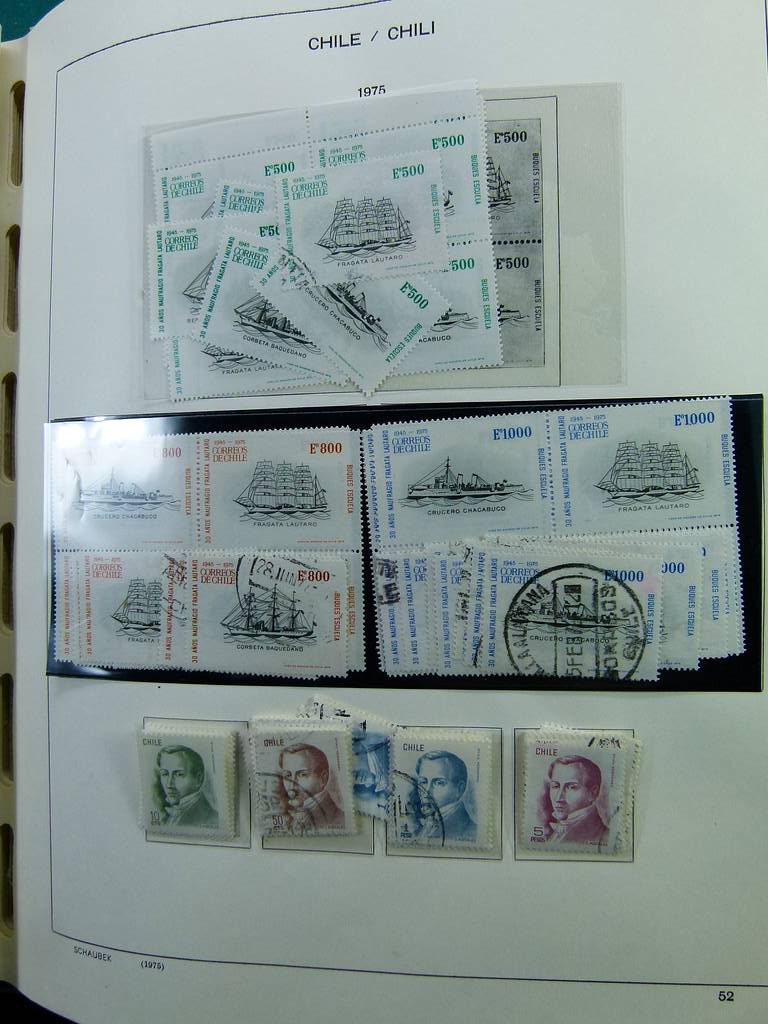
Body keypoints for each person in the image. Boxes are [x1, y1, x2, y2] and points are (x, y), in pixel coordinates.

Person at [538, 755, 608, 845]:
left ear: (593, 793)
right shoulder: (557, 831)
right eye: (555, 786)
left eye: (572, 787)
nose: (558, 798)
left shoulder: (603, 837)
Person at [413, 750, 477, 843]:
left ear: (459, 789)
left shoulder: (470, 832)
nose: (426, 791)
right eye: (423, 782)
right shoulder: (428, 823)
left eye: (439, 783)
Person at [279, 743, 344, 830]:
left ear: (323, 778)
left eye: (302, 775)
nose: (292, 785)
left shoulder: (339, 819)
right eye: (287, 775)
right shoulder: (292, 817)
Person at [154, 745, 218, 828]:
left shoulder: (212, 819)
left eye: (179, 774)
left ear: (198, 779)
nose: (169, 784)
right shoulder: (169, 815)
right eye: (165, 774)